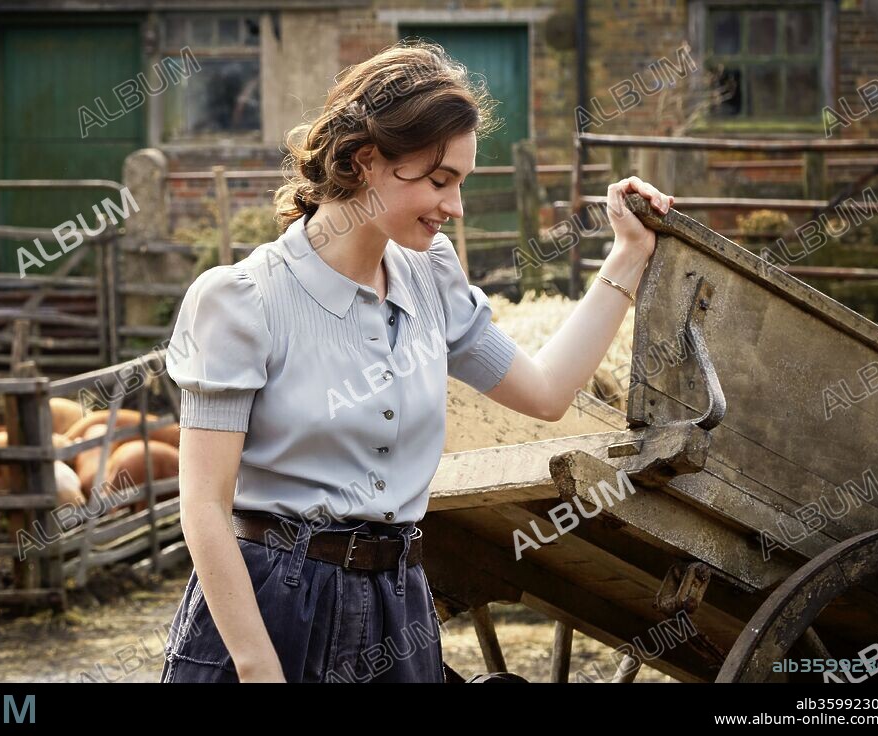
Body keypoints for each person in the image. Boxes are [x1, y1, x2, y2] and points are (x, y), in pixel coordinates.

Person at [159, 39, 673, 683]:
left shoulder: (431, 276)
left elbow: (545, 392)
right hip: (273, 608)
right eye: (439, 180)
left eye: (461, 182)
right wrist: (258, 665)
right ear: (365, 161)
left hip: (398, 605)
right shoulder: (240, 301)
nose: (455, 207)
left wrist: (628, 254)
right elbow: (204, 507)